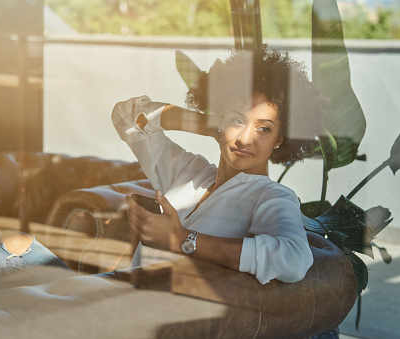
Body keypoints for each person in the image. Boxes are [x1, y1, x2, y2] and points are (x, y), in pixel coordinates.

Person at [113, 45, 325, 284]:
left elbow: (294, 260)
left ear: (279, 140)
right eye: (237, 120)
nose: (245, 139)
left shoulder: (271, 196)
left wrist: (183, 239)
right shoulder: (189, 173)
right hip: (124, 305)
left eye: (263, 129)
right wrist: (212, 125)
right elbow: (126, 117)